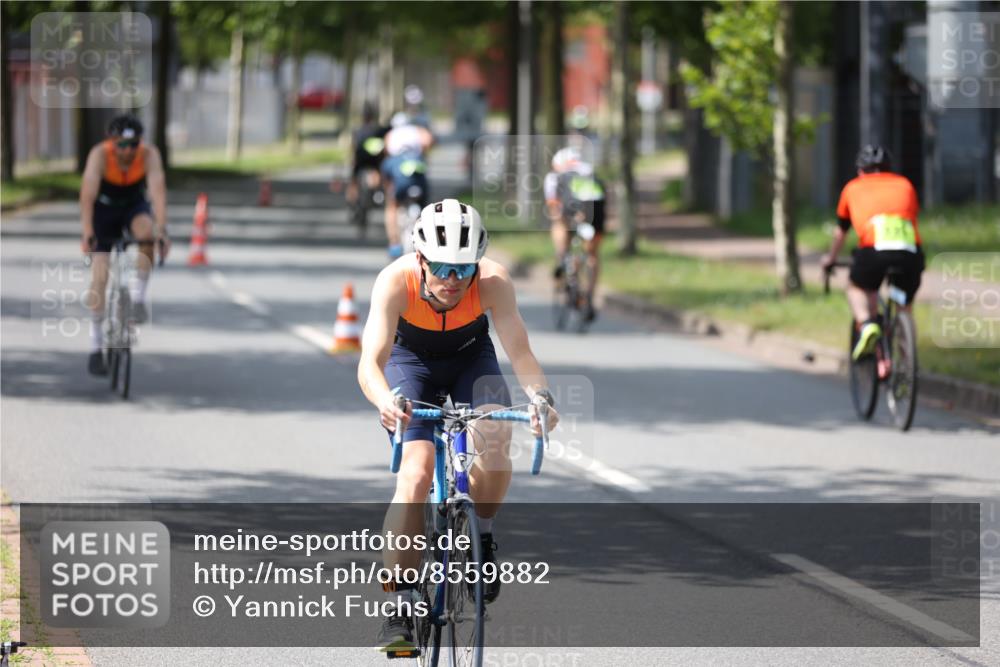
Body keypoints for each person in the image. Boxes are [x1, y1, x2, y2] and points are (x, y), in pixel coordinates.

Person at [357, 199, 560, 653]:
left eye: (463, 270)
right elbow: (370, 361)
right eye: (443, 268)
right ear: (422, 259)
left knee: (496, 436)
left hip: (471, 359)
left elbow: (521, 353)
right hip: (411, 366)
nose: (452, 280)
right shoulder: (395, 281)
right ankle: (398, 603)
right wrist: (385, 400)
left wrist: (540, 398)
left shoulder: (493, 282)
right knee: (416, 470)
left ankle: (482, 539)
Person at [79, 114, 169, 375]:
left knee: (148, 234)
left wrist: (162, 231)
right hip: (104, 210)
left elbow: (158, 192)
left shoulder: (149, 155)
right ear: (112, 142)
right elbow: (86, 197)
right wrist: (87, 232)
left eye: (133, 145)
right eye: (121, 145)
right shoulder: (99, 155)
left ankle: (137, 299)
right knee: (99, 275)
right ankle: (96, 344)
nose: (128, 151)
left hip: (133, 207)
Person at [822, 144, 925, 360]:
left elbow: (841, 231)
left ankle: (868, 324)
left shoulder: (852, 188)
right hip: (910, 253)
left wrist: (830, 259)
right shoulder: (905, 185)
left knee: (857, 287)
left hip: (873, 251)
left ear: (860, 171)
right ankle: (906, 361)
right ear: (889, 168)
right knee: (903, 305)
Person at [544, 146, 606, 322]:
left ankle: (563, 256)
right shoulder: (589, 170)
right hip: (595, 206)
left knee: (558, 222)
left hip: (570, 204)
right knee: (592, 254)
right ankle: (589, 297)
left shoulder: (555, 176)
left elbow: (553, 205)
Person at [381, 112, 433, 259]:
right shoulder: (418, 131)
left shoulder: (391, 134)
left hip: (396, 166)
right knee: (426, 211)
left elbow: (386, 152)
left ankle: (394, 244)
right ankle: (427, 242)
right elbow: (428, 141)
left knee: (392, 206)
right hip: (418, 169)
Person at [345, 101, 389, 213]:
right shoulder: (378, 130)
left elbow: (353, 147)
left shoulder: (357, 130)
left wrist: (351, 160)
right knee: (377, 174)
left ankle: (351, 201)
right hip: (374, 160)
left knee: (353, 180)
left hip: (360, 159)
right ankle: (377, 193)